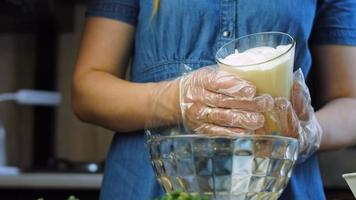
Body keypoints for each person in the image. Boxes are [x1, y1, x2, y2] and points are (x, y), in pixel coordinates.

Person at [71, 0, 356, 199]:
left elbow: (350, 101)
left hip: (277, 185)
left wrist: (308, 132)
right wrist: (176, 98)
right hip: (147, 185)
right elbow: (87, 91)